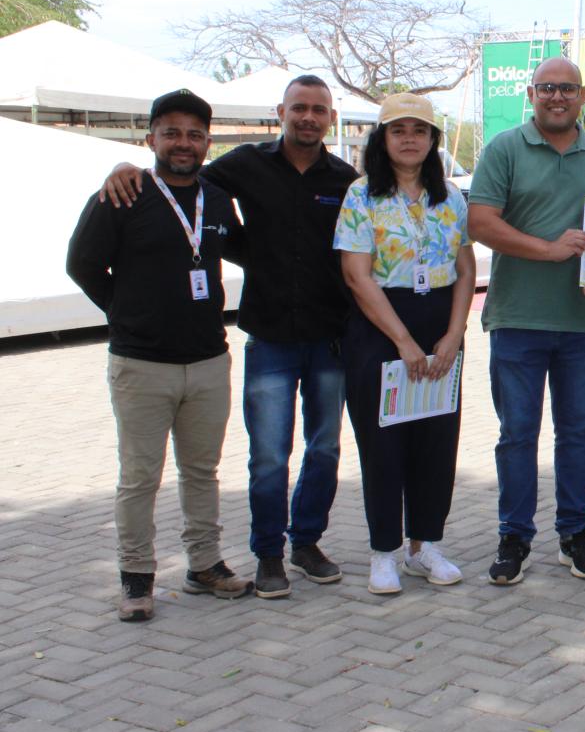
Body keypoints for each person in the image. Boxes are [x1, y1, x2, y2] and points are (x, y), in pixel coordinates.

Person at [102, 76, 357, 599]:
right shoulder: (244, 165)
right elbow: (181, 179)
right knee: (268, 455)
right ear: (280, 112)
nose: (308, 117)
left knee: (325, 449)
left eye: (319, 110)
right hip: (269, 336)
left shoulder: (345, 178)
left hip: (330, 337)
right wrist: (124, 168)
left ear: (330, 118)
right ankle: (268, 554)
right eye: (299, 108)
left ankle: (306, 542)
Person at [68, 90, 253, 620]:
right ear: (150, 138)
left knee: (202, 471)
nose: (183, 143)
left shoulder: (215, 200)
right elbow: (81, 264)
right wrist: (124, 313)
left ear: (207, 143)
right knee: (139, 475)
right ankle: (136, 577)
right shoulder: (122, 193)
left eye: (194, 134)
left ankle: (204, 564)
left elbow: (240, 248)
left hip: (208, 360)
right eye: (171, 132)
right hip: (141, 363)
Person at [468, 57, 585, 586]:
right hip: (517, 317)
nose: (558, 97)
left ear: (583, 97)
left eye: (568, 89)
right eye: (548, 88)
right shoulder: (505, 148)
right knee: (517, 434)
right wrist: (550, 251)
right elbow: (481, 223)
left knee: (578, 433)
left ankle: (574, 531)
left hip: (583, 322)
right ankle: (515, 535)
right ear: (531, 93)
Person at [334, 93, 475, 595]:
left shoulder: (451, 197)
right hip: (381, 330)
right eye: (399, 130)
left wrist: (454, 334)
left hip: (440, 324)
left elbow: (465, 267)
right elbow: (357, 275)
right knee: (384, 444)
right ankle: (383, 552)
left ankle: (425, 546)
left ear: (434, 139)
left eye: (420, 130)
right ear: (383, 139)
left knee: (437, 440)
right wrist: (403, 341)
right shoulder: (361, 196)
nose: (410, 138)